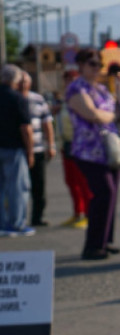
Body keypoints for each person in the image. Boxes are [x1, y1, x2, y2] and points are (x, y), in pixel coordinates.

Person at [66, 48, 120, 260]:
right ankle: (92, 245)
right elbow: (92, 114)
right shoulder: (76, 88)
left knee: (111, 194)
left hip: (109, 148)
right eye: (92, 64)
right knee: (103, 192)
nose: (96, 69)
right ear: (81, 65)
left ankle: (105, 240)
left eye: (99, 65)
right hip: (88, 150)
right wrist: (109, 115)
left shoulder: (101, 89)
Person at [0, 65, 35, 237]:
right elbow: (25, 128)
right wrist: (30, 151)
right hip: (14, 148)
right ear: (16, 80)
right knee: (17, 188)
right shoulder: (18, 98)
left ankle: (1, 223)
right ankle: (16, 223)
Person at [54, 70, 92, 229]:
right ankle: (77, 212)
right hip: (67, 144)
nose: (69, 82)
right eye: (67, 79)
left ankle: (89, 215)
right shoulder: (65, 99)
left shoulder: (81, 98)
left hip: (80, 145)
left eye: (72, 79)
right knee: (70, 181)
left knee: (82, 181)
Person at [18, 72, 56, 227]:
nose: (22, 84)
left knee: (38, 185)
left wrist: (51, 145)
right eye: (20, 81)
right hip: (18, 149)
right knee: (18, 186)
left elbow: (47, 124)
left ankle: (37, 217)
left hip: (38, 147)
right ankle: (18, 218)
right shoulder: (12, 99)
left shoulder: (38, 99)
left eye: (25, 81)